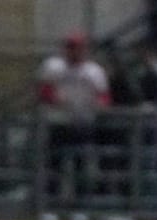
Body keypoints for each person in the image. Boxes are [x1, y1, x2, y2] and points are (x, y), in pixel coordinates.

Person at [37, 31, 111, 207]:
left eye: (77, 48)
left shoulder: (94, 71)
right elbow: (44, 91)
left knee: (82, 166)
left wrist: (100, 105)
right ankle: (51, 206)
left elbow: (104, 96)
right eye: (70, 47)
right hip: (59, 122)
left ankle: (81, 207)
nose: (74, 51)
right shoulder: (54, 67)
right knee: (54, 166)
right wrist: (56, 100)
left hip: (83, 124)